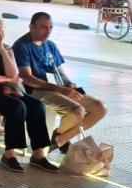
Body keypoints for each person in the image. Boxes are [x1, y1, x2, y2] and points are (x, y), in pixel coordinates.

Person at [0, 17, 59, 172]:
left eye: (1, 29)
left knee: (36, 105)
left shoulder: (6, 48)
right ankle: (9, 154)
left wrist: (1, 49)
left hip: (5, 89)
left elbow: (14, 73)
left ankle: (39, 155)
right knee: (16, 106)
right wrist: (8, 78)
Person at [13, 12, 108, 154]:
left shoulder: (50, 46)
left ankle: (59, 139)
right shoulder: (22, 46)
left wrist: (69, 83)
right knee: (77, 111)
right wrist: (60, 89)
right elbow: (27, 78)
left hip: (57, 88)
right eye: (43, 27)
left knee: (99, 108)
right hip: (36, 91)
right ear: (32, 27)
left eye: (50, 28)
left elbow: (60, 72)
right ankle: (59, 140)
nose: (48, 31)